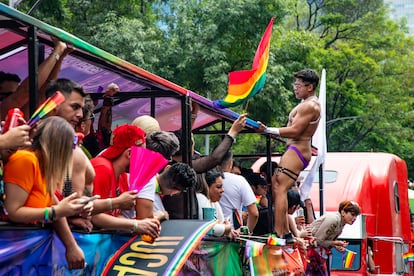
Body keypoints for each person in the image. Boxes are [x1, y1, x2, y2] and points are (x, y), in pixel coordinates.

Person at [3, 116, 88, 270]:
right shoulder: (26, 160)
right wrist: (55, 211)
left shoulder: (42, 167)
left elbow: (55, 206)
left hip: (23, 255)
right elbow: (13, 211)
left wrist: (71, 246)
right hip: (10, 252)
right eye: (71, 147)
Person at [258, 69, 320, 243]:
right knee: (278, 186)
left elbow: (295, 130)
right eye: (295, 84)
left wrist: (268, 129)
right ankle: (283, 231)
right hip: (295, 150)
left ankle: (279, 232)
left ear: (310, 87)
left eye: (298, 85)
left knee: (280, 188)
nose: (295, 88)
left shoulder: (310, 106)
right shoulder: (305, 103)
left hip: (298, 150)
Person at [90, 124, 160, 238]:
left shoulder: (121, 175)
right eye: (142, 154)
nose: (143, 160)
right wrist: (135, 225)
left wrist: (144, 225)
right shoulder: (102, 168)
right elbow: (94, 216)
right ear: (129, 153)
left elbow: (114, 217)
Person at [1, 37, 71, 119]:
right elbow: (26, 91)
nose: (19, 96)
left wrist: (60, 56)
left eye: (16, 92)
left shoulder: (22, 112)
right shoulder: (4, 110)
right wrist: (58, 50)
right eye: (9, 95)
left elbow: (44, 91)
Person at [172, 113, 247, 174]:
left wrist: (195, 111)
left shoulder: (166, 162)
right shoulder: (182, 167)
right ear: (190, 148)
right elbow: (214, 159)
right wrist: (233, 131)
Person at [133, 131, 180, 220]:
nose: (170, 160)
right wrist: (162, 214)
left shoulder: (146, 173)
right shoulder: (147, 177)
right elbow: (146, 220)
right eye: (169, 156)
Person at [307, 200, 361, 275]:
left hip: (317, 254)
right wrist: (335, 243)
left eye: (356, 216)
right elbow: (317, 240)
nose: (354, 218)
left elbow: (325, 241)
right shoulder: (334, 219)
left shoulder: (341, 223)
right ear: (343, 212)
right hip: (310, 252)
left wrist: (336, 246)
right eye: (352, 214)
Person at [218, 151, 258, 234]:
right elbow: (254, 213)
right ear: (230, 163)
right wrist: (247, 231)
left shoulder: (205, 179)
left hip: (210, 232)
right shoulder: (239, 180)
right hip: (235, 233)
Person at [196, 168, 238, 238]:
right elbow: (210, 229)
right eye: (218, 187)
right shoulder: (201, 198)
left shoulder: (214, 202)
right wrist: (227, 228)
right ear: (207, 186)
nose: (222, 190)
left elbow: (221, 224)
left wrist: (229, 230)